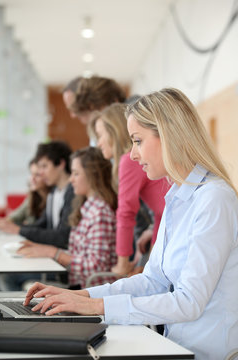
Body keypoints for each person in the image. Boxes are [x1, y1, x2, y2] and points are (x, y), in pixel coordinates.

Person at [24, 88, 238, 360]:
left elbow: (189, 302)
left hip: (208, 353)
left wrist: (98, 306)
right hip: (176, 345)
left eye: (137, 141)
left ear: (169, 135)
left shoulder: (214, 199)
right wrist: (83, 297)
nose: (133, 155)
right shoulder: (176, 198)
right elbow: (153, 280)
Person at [17, 147, 117, 289]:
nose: (71, 179)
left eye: (76, 174)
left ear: (92, 175)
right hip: (78, 284)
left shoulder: (100, 213)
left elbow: (96, 268)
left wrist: (54, 253)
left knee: (19, 283)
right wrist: (44, 249)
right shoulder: (86, 207)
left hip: (88, 290)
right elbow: (81, 254)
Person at [89, 103, 169, 275]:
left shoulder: (129, 161)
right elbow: (160, 213)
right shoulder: (131, 161)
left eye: (100, 135)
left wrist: (122, 263)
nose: (98, 143)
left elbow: (126, 213)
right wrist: (153, 258)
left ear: (114, 133)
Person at [0, 140, 74, 249]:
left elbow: (62, 237)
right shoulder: (54, 193)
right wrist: (12, 227)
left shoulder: (73, 192)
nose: (41, 173)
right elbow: (41, 225)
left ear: (61, 164)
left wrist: (19, 229)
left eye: (44, 166)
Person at [5, 158, 50, 225]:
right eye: (31, 174)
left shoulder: (53, 198)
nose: (32, 179)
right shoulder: (32, 197)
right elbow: (15, 216)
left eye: (37, 175)